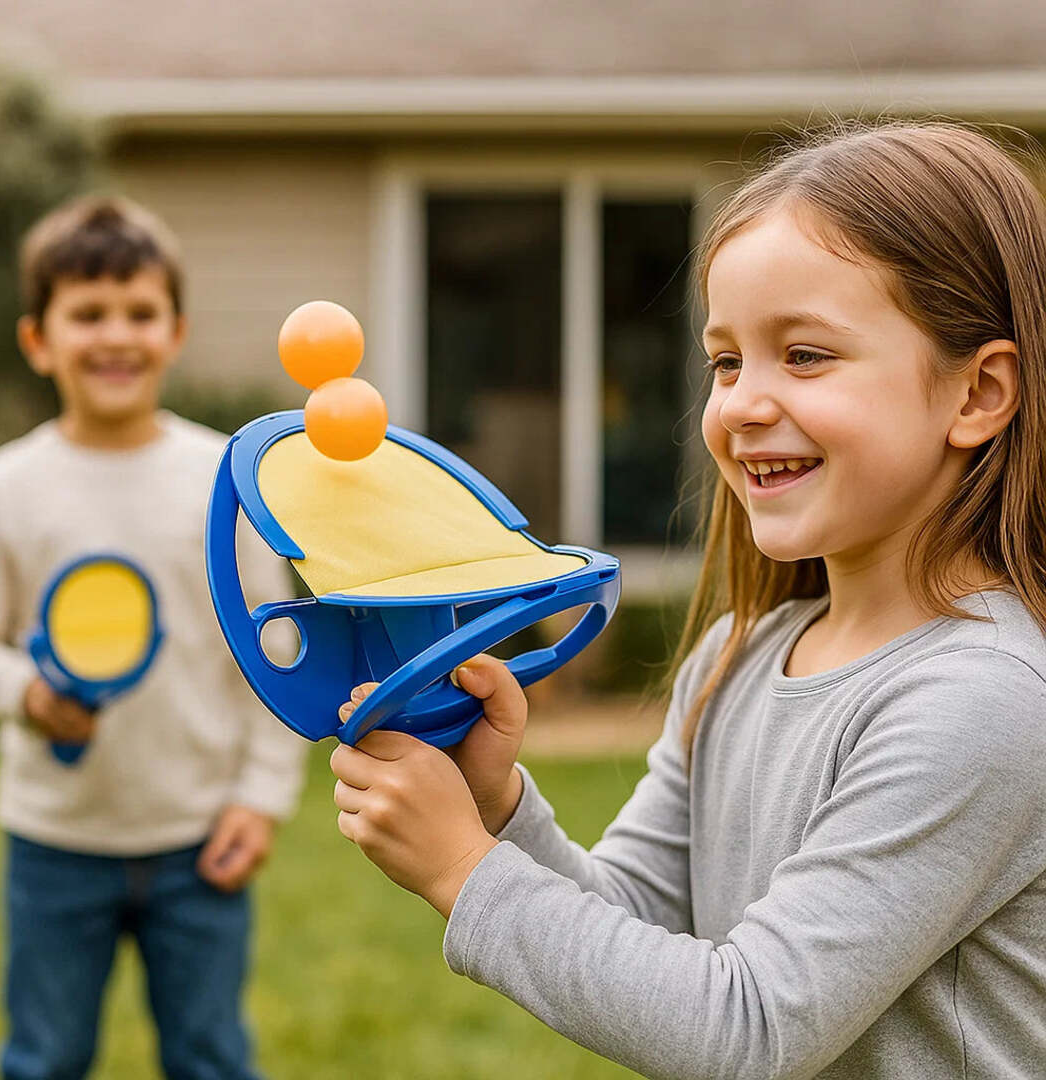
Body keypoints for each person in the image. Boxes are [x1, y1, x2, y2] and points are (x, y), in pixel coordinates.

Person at [328, 121, 1046, 1079]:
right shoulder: (736, 655)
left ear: (979, 394)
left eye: (806, 355)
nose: (742, 403)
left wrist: (464, 868)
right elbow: (636, 926)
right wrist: (495, 808)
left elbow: (745, 1028)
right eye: (727, 361)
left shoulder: (982, 699)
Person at [0, 195, 309, 1080]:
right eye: (88, 314)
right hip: (54, 841)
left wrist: (261, 798)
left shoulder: (226, 479)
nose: (115, 335)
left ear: (175, 332)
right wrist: (25, 695)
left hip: (202, 836)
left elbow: (275, 650)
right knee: (44, 1057)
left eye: (139, 313)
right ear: (38, 340)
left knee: (210, 1057)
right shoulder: (4, 486)